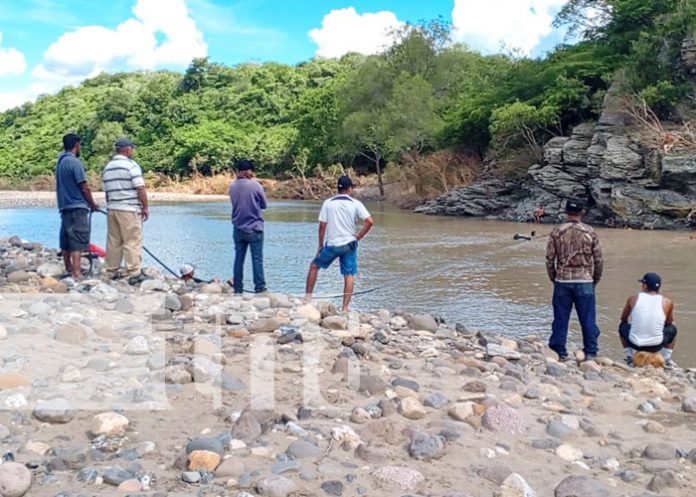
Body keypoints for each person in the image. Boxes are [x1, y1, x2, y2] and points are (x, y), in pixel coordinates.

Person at [304, 175, 374, 312]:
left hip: (333, 245)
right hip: (349, 244)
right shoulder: (355, 203)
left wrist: (320, 245)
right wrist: (359, 235)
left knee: (314, 267)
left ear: (337, 188)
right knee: (349, 275)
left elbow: (322, 225)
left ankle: (307, 299)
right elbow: (370, 221)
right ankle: (345, 307)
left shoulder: (328, 203)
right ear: (350, 189)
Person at [545, 198, 603, 361]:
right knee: (588, 318)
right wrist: (595, 279)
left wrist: (554, 277)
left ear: (566, 212)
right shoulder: (590, 232)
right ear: (582, 213)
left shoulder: (557, 232)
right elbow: (598, 259)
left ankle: (559, 350)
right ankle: (591, 351)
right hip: (585, 281)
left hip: (562, 280)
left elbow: (549, 259)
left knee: (561, 318)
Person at [102, 137, 150, 285]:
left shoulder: (108, 167)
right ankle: (133, 272)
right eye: (132, 148)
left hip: (113, 208)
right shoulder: (131, 166)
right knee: (132, 240)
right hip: (129, 208)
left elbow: (107, 192)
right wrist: (145, 207)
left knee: (114, 241)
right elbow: (140, 188)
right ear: (128, 149)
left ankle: (111, 270)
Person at [55, 133, 99, 279]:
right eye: (79, 145)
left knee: (66, 238)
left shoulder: (60, 162)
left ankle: (68, 267)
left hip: (64, 206)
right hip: (77, 205)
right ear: (76, 145)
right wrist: (92, 204)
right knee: (78, 240)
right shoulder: (75, 163)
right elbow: (84, 186)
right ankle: (76, 272)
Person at [619, 272, 677, 368]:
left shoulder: (633, 299)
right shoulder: (667, 302)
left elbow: (623, 318)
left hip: (634, 344)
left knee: (622, 326)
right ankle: (667, 360)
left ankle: (629, 357)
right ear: (659, 288)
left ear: (644, 286)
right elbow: (669, 322)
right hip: (656, 345)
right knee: (673, 328)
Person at [229, 158, 267, 294]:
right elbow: (264, 205)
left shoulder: (232, 186)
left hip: (238, 227)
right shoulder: (255, 185)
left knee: (239, 259)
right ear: (249, 171)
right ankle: (260, 287)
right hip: (254, 227)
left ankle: (238, 289)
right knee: (257, 259)